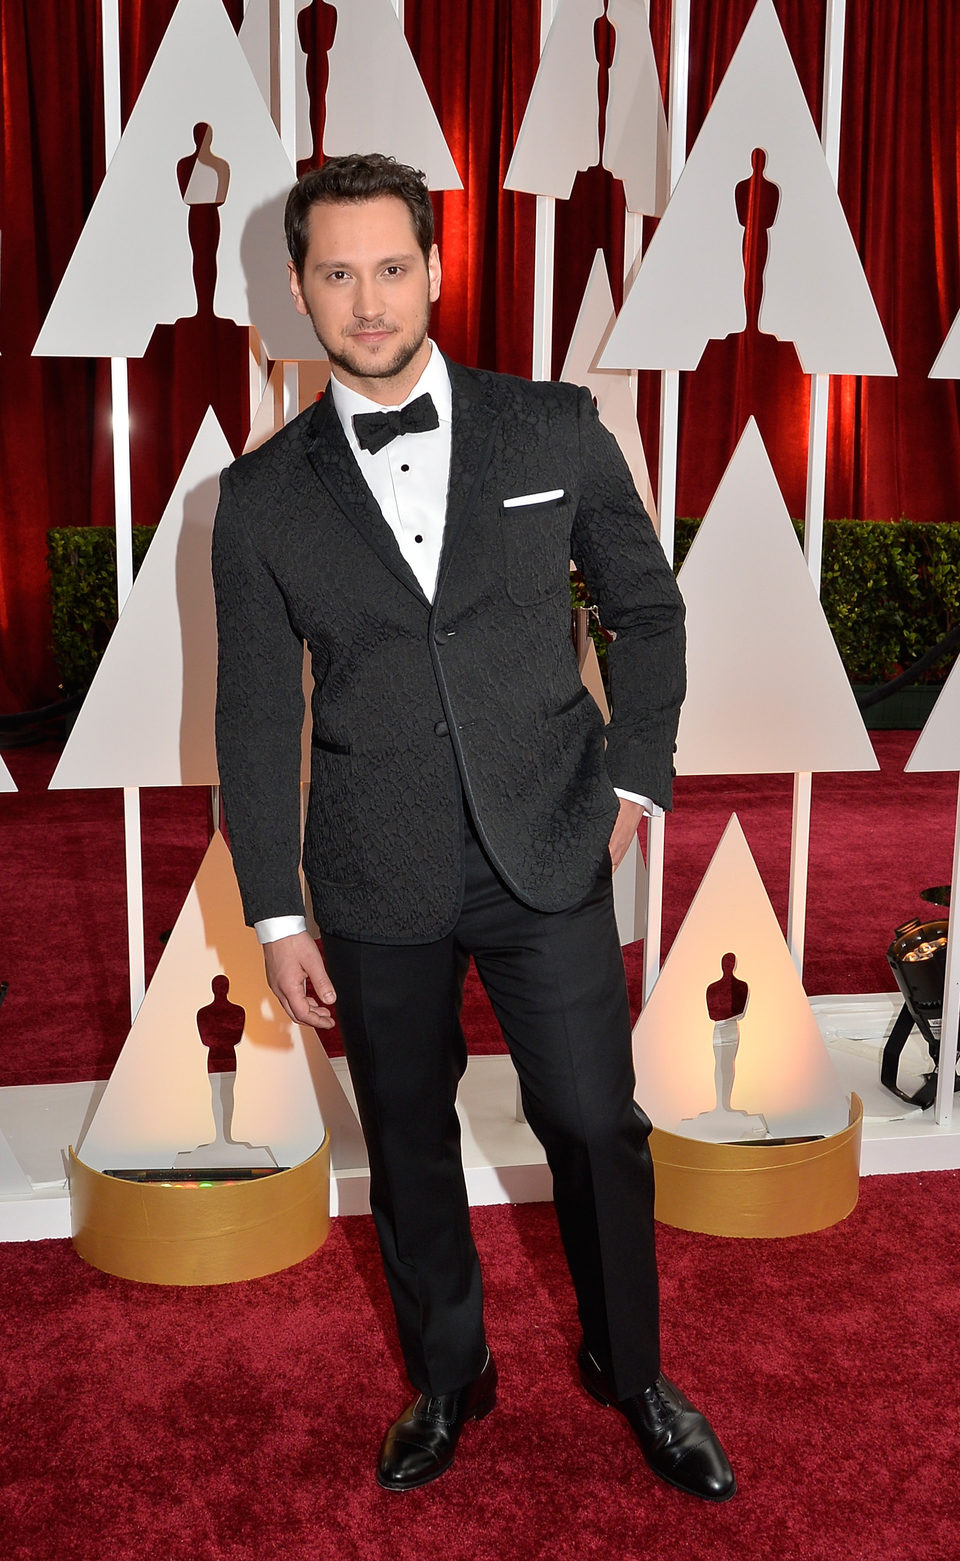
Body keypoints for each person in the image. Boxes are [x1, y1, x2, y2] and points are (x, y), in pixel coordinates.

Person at [212, 152, 735, 1503]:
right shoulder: (260, 501)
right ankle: (451, 1376)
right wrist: (275, 909)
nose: (369, 299)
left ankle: (636, 1369)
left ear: (436, 271)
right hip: (374, 867)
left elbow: (647, 608)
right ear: (299, 290)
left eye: (393, 267)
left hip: (553, 837)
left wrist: (636, 776)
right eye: (338, 272)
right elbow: (259, 717)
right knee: (406, 1135)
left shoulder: (551, 427)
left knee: (591, 1118)